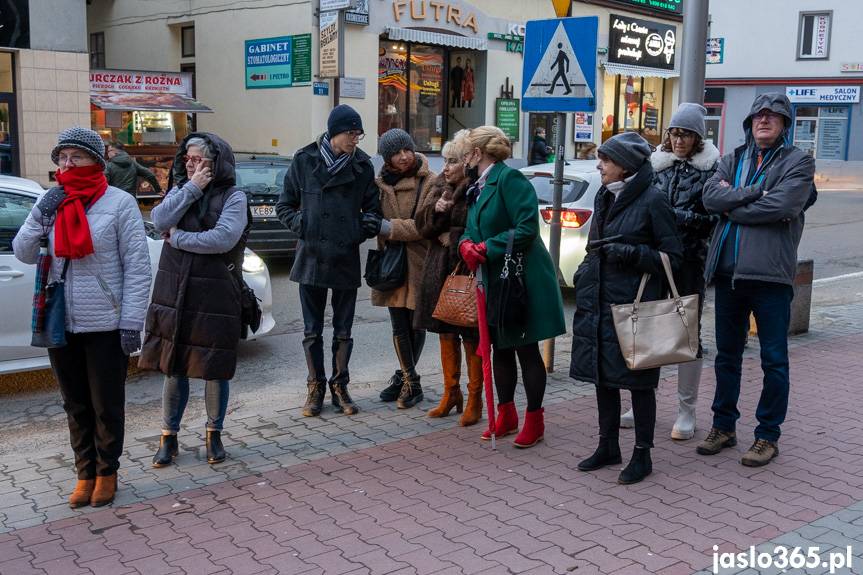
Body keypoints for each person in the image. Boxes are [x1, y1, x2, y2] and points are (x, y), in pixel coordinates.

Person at [13, 127, 151, 507]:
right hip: (61, 318)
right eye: (62, 157)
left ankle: (107, 472)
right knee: (75, 403)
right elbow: (23, 251)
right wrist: (41, 211)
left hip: (106, 322)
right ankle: (84, 473)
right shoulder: (51, 201)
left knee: (106, 403)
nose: (67, 164)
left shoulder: (120, 204)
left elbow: (138, 269)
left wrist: (131, 322)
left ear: (97, 161)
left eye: (76, 156)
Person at [697, 93, 815, 467]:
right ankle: (724, 427)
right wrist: (749, 195)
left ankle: (767, 436)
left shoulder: (799, 161)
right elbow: (710, 199)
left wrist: (733, 205)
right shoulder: (732, 158)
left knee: (774, 360)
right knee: (726, 358)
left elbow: (782, 205)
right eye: (758, 116)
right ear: (749, 123)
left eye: (773, 116)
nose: (764, 120)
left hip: (770, 278)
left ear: (784, 124)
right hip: (729, 277)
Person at [570, 132, 683, 485]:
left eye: (606, 160)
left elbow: (674, 259)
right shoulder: (605, 195)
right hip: (601, 300)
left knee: (638, 383)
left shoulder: (653, 200)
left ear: (626, 166)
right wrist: (584, 273)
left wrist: (632, 254)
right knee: (603, 378)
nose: (599, 165)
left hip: (636, 307)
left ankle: (642, 454)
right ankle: (608, 446)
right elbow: (595, 246)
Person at [140, 133, 249, 467]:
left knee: (215, 367)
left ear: (217, 162)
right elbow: (158, 221)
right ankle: (168, 438)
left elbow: (222, 239)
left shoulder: (234, 196)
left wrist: (180, 238)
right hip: (174, 292)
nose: (191, 163)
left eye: (199, 158)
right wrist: (191, 189)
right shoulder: (180, 190)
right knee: (174, 366)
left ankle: (213, 435)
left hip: (215, 291)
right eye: (187, 157)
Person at [459, 126, 566, 448]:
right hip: (496, 279)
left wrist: (486, 247)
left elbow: (527, 229)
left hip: (522, 279)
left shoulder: (509, 179)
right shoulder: (478, 185)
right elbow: (471, 226)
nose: (463, 158)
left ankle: (535, 419)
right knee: (499, 346)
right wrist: (465, 243)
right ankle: (506, 414)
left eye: (466, 152)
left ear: (478, 153)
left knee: (524, 348)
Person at [619, 103, 720, 440]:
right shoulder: (655, 167)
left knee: (687, 333)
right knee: (648, 326)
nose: (679, 140)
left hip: (689, 260)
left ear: (698, 138)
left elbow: (712, 221)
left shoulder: (711, 171)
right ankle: (642, 399)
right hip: (654, 259)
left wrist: (673, 217)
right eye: (675, 133)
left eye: (686, 134)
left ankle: (686, 410)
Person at [276, 105, 382, 418]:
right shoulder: (304, 160)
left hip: (344, 255)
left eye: (358, 134)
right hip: (311, 256)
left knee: (344, 330)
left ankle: (340, 386)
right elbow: (285, 205)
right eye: (351, 133)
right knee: (311, 330)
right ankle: (315, 388)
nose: (355, 139)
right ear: (335, 132)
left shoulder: (362, 166)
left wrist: (356, 231)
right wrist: (303, 225)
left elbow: (373, 211)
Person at [413, 130, 483, 426]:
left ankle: (475, 398)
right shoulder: (440, 184)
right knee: (444, 331)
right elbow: (420, 225)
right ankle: (450, 393)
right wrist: (434, 211)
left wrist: (451, 235)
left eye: (453, 161)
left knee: (470, 333)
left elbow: (479, 229)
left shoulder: (477, 187)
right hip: (439, 270)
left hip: (465, 270)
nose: (446, 167)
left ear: (467, 161)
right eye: (445, 160)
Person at [373, 129, 436, 409]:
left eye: (407, 150)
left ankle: (408, 380)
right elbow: (368, 216)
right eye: (396, 153)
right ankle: (409, 380)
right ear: (386, 158)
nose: (403, 157)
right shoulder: (379, 185)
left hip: (420, 262)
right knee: (398, 324)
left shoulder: (430, 181)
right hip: (392, 264)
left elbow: (425, 225)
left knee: (416, 324)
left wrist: (387, 227)